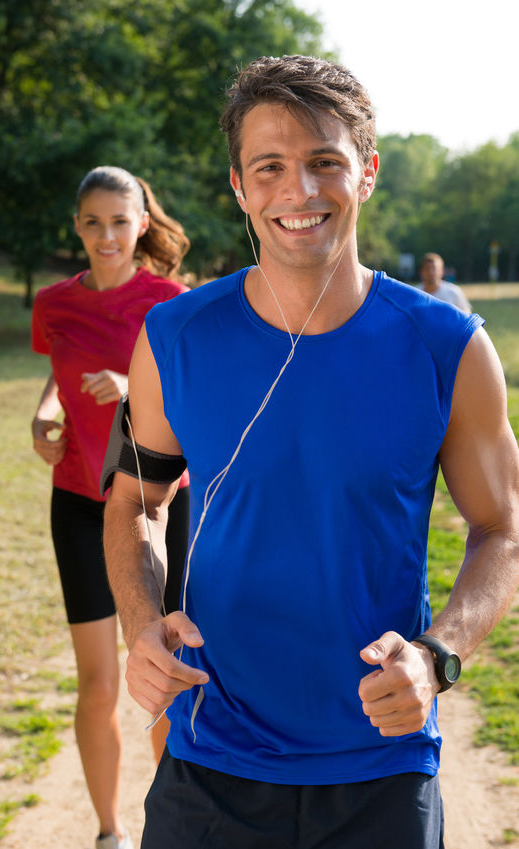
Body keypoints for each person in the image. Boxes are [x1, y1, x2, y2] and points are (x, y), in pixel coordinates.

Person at [103, 56, 519, 849]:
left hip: (381, 767)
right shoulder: (175, 338)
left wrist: (441, 656)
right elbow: (134, 501)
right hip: (211, 756)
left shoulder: (448, 347)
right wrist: (141, 623)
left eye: (325, 162)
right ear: (240, 187)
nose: (299, 191)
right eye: (271, 168)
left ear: (365, 172)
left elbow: (504, 527)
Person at [31, 166, 190, 849]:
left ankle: (176, 827)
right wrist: (44, 414)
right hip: (78, 502)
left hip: (159, 508)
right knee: (97, 683)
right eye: (92, 222)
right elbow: (56, 371)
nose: (106, 236)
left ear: (142, 225)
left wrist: (132, 383)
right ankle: (109, 832)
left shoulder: (171, 303)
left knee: (164, 675)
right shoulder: (53, 305)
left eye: (119, 222)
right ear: (77, 227)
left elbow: (186, 398)